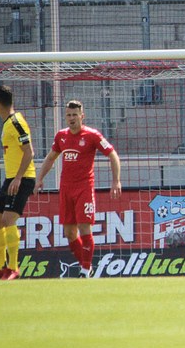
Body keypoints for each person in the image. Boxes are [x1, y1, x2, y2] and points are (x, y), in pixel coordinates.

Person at [36, 100, 122, 278]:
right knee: (69, 233)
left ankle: (85, 270)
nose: (71, 118)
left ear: (82, 116)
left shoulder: (92, 135)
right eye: (68, 115)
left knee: (84, 228)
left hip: (84, 188)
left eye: (75, 115)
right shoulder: (61, 136)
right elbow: (51, 158)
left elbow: (112, 154)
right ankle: (86, 266)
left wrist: (116, 181)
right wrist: (39, 179)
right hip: (66, 189)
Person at [0, 85, 36, 281]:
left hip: (22, 178)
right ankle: (0, 267)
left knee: (8, 220)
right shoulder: (8, 123)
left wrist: (18, 178)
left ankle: (13, 268)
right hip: (11, 178)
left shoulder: (16, 122)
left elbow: (29, 152)